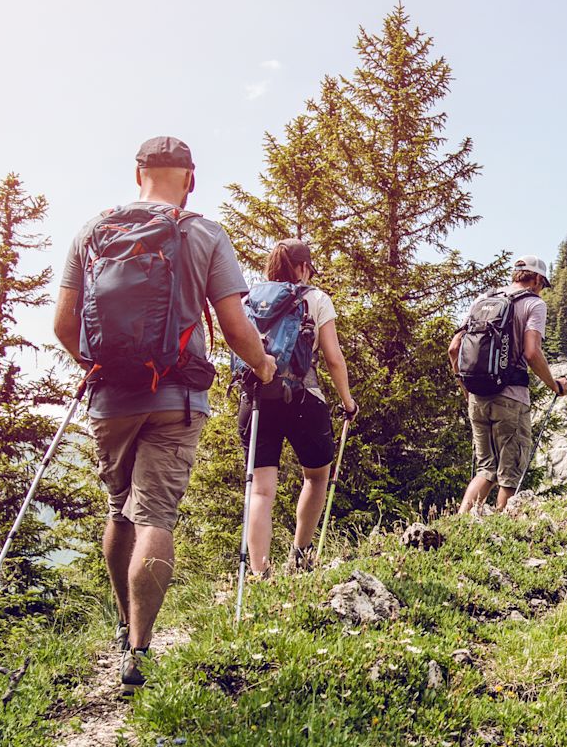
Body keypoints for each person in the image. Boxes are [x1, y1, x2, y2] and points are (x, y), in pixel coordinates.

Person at [54, 135, 276, 693]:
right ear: (191, 178)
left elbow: (63, 324)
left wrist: (102, 364)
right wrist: (265, 365)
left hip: (110, 398)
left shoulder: (92, 230)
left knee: (118, 509)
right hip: (176, 399)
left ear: (137, 175)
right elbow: (234, 327)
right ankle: (139, 651)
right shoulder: (203, 232)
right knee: (156, 515)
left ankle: (121, 624)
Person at [240, 239, 358, 576]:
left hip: (256, 399)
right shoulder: (315, 298)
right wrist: (348, 403)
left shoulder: (250, 298)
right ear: (304, 267)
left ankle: (260, 572)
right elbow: (334, 359)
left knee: (261, 489)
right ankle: (302, 553)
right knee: (317, 476)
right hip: (303, 397)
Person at [448, 255, 567, 515]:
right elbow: (532, 353)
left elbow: (454, 347)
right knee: (510, 473)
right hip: (511, 398)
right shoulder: (533, 305)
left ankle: (462, 526)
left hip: (477, 397)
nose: (541, 288)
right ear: (536, 278)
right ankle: (502, 531)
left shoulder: (483, 301)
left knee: (485, 469)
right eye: (542, 283)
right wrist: (554, 386)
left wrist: (466, 389)